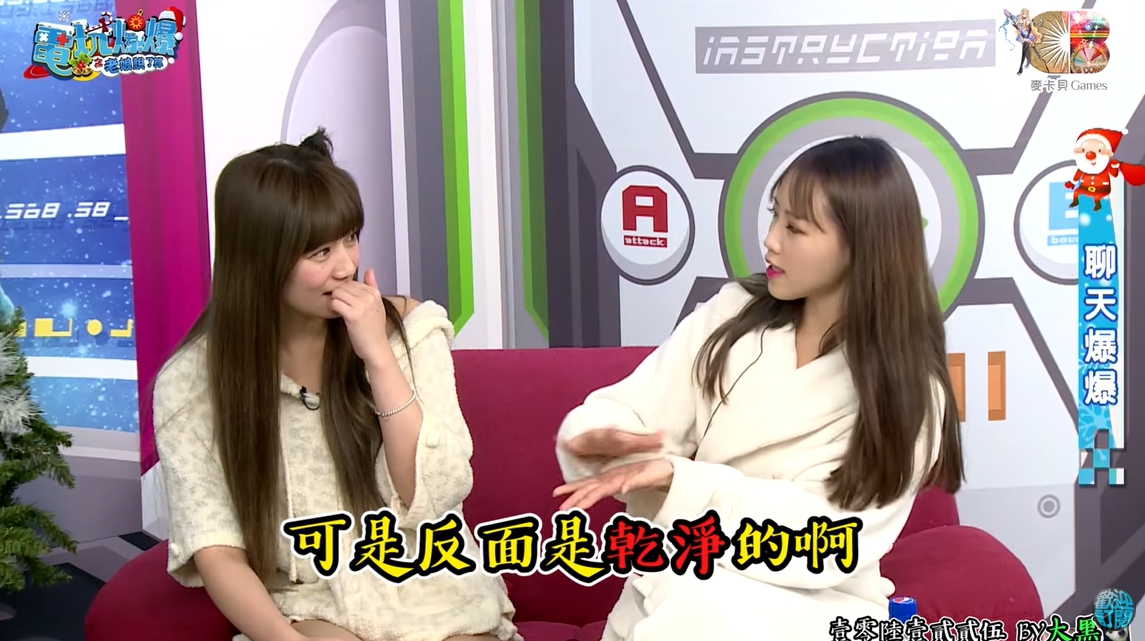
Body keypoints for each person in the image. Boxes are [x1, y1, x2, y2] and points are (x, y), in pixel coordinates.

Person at [552, 136, 964, 641]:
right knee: (689, 599)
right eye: (774, 216)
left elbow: (832, 539)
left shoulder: (908, 390)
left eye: (795, 228)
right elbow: (633, 410)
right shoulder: (732, 316)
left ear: (861, 246)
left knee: (698, 605)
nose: (770, 241)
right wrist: (603, 440)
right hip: (689, 580)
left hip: (814, 606)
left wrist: (681, 482)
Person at [152, 129, 519, 641]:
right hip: (312, 604)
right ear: (260, 259)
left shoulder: (412, 331)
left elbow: (434, 495)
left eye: (350, 238)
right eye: (320, 252)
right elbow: (216, 549)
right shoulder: (192, 382)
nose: (346, 266)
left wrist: (378, 358)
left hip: (434, 587)